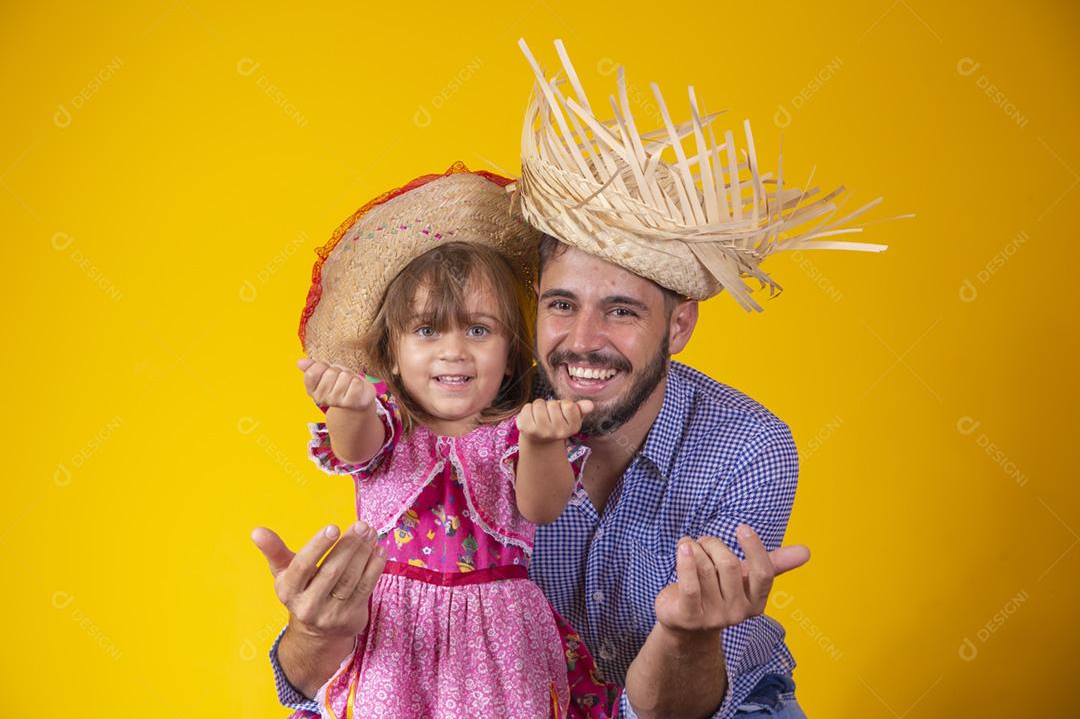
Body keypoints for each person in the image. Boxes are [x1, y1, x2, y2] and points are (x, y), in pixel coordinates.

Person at [255, 40, 897, 718]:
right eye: (562, 306)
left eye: (621, 311)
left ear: (678, 327)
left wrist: (688, 633)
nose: (584, 341)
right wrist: (314, 631)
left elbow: (673, 712)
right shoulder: (466, 407)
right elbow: (306, 682)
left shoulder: (747, 448)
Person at [267, 166, 626, 718]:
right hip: (395, 628)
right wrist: (350, 404)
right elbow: (354, 450)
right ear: (390, 353)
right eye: (428, 330)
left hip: (500, 637)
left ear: (511, 351)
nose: (453, 351)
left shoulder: (514, 431)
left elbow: (542, 505)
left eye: (478, 330)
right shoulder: (387, 425)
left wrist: (540, 443)